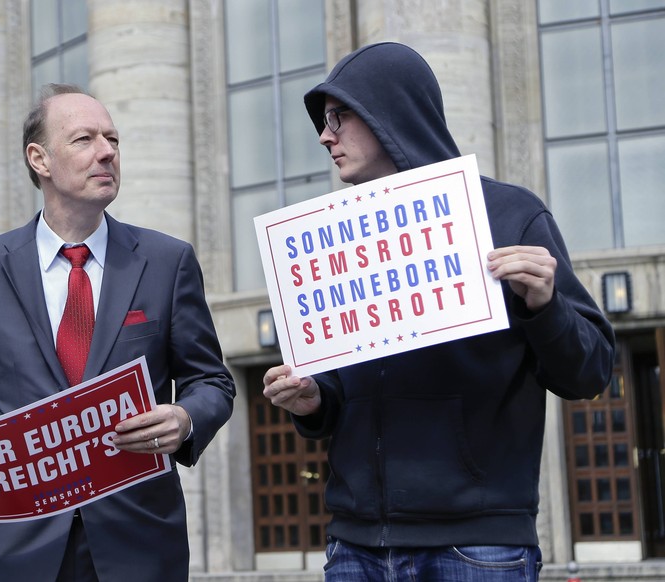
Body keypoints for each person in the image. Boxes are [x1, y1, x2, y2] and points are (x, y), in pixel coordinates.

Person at [263, 42, 615, 581]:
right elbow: (340, 387)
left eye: (339, 117)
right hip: (354, 547)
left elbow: (589, 371)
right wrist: (313, 399)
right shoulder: (333, 244)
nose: (324, 136)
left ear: (391, 111)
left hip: (476, 547)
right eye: (322, 122)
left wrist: (544, 306)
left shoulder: (509, 214)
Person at [0, 83, 235, 582]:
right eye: (84, 139)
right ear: (39, 159)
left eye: (112, 138)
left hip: (137, 545)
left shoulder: (166, 261)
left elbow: (212, 382)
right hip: (15, 545)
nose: (107, 152)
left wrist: (185, 417)